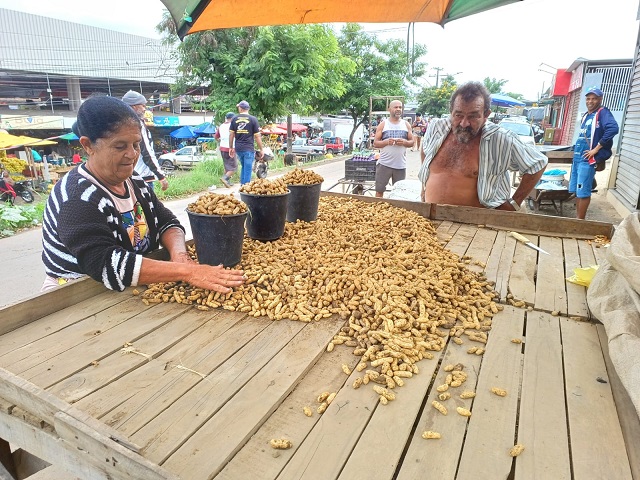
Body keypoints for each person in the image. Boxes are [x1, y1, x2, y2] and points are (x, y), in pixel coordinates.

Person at [41, 95, 245, 293]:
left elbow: (167, 222)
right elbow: (107, 265)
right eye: (120, 146)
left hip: (132, 287)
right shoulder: (77, 197)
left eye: (136, 144)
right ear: (87, 146)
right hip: (77, 295)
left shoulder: (134, 181)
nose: (132, 154)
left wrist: (179, 255)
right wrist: (188, 272)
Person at [419, 82, 547, 210]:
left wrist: (515, 203)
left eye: (473, 116)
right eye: (458, 115)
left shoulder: (501, 138)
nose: (464, 123)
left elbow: (538, 163)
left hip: (478, 224)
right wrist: (424, 187)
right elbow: (425, 149)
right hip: (432, 216)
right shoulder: (436, 127)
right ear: (451, 111)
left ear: (486, 115)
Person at [569, 86, 619, 220]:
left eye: (594, 99)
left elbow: (613, 128)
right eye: (588, 98)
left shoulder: (603, 113)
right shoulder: (587, 115)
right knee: (577, 191)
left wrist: (596, 149)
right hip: (578, 158)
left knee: (584, 191)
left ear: (600, 99)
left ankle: (580, 221)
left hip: (588, 159)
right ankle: (577, 219)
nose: (590, 101)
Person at [121, 90, 169, 192]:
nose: (144, 109)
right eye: (143, 106)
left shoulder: (121, 124)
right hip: (143, 178)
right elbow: (147, 152)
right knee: (148, 207)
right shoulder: (137, 125)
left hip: (129, 177)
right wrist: (161, 176)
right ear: (134, 107)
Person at [372, 100, 414, 198]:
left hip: (400, 166)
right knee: (379, 191)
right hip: (384, 165)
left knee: (399, 194)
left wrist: (405, 142)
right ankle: (377, 210)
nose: (398, 109)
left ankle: (396, 213)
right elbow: (375, 143)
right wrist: (386, 142)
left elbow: (412, 142)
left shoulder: (406, 124)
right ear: (389, 109)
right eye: (396, 107)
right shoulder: (383, 124)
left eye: (400, 107)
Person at [229, 100, 264, 185]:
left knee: (244, 167)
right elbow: (257, 136)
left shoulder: (234, 119)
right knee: (248, 168)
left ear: (241, 108)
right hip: (248, 148)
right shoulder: (253, 119)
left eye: (239, 107)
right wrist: (261, 149)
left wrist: (230, 147)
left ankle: (242, 185)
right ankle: (245, 187)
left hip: (239, 148)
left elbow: (231, 135)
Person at [215, 112, 236, 188]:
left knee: (227, 166)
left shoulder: (221, 126)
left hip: (222, 148)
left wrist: (221, 140)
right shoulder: (233, 125)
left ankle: (228, 181)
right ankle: (225, 178)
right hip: (231, 148)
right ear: (232, 118)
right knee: (233, 167)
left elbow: (216, 136)